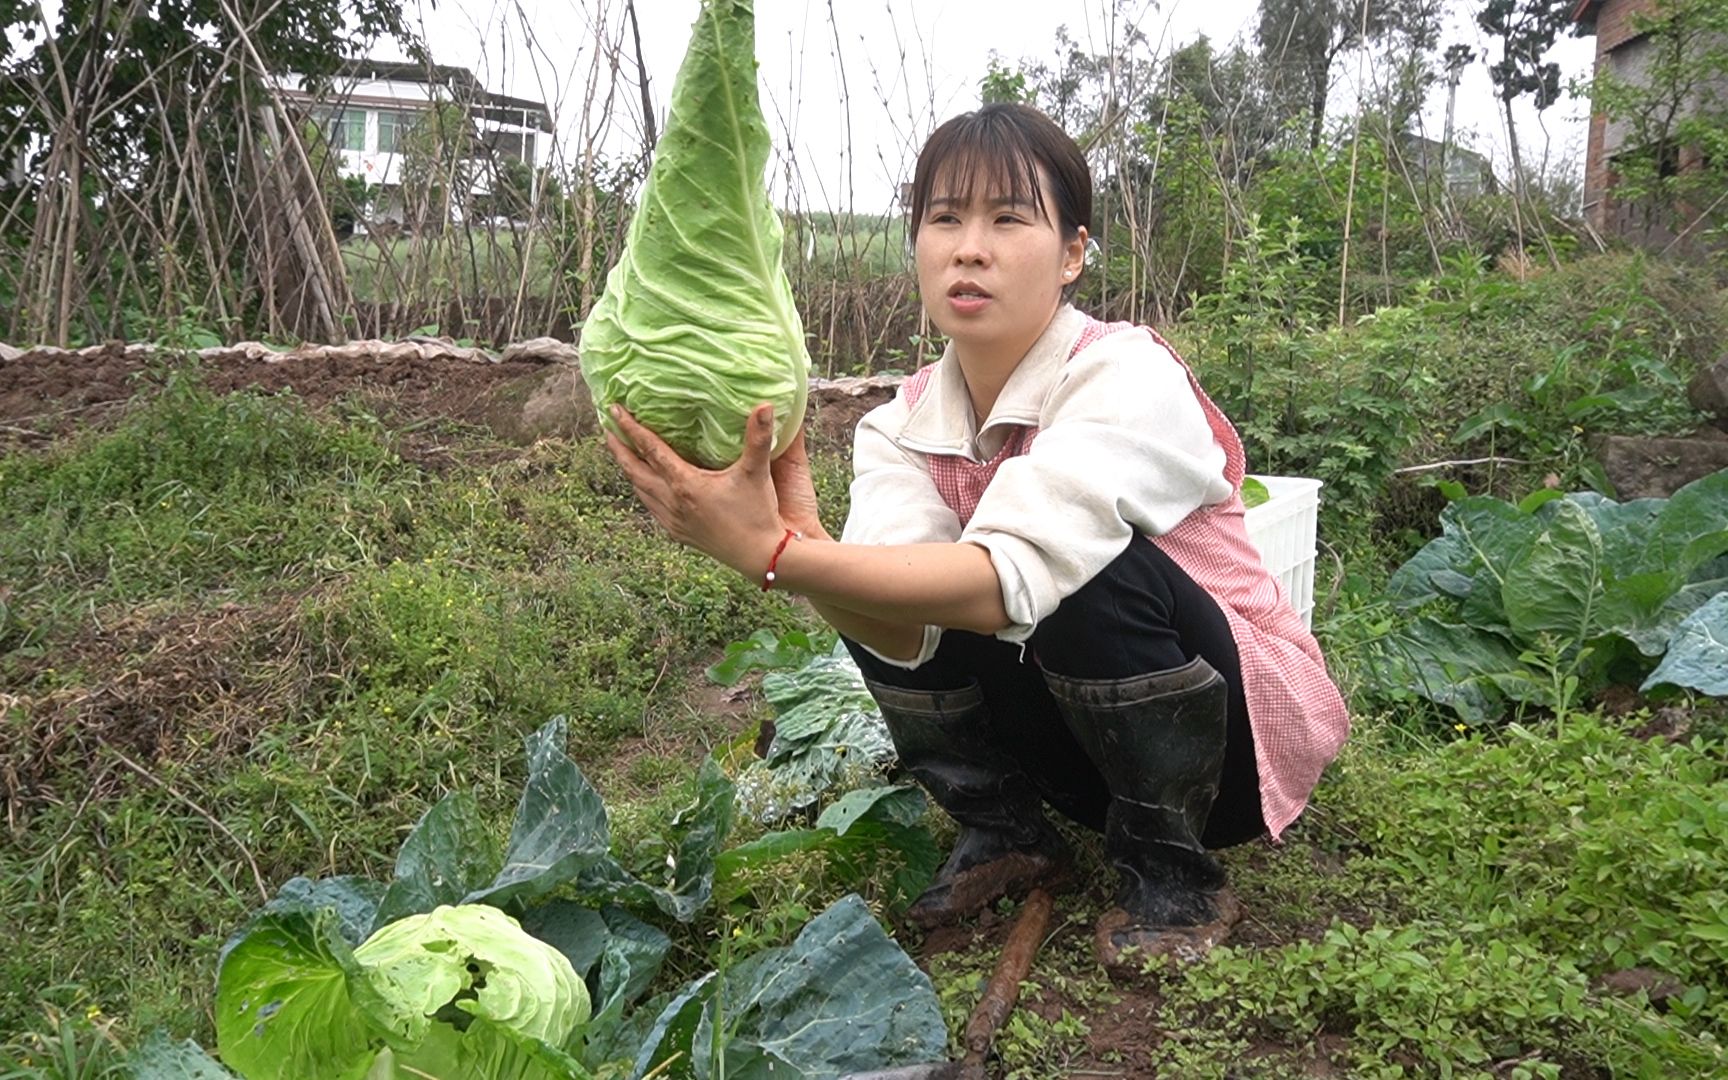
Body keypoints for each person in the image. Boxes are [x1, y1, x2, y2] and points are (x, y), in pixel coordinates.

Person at [604, 102, 1349, 972]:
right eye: (944, 219)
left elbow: (1007, 578)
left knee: (1083, 572)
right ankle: (1006, 831)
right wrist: (804, 544)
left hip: (1230, 750)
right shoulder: (903, 421)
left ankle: (1173, 872)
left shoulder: (1124, 371)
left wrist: (772, 554)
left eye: (1008, 218)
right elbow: (900, 626)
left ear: (1072, 253)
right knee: (880, 582)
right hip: (1082, 759)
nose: (969, 247)